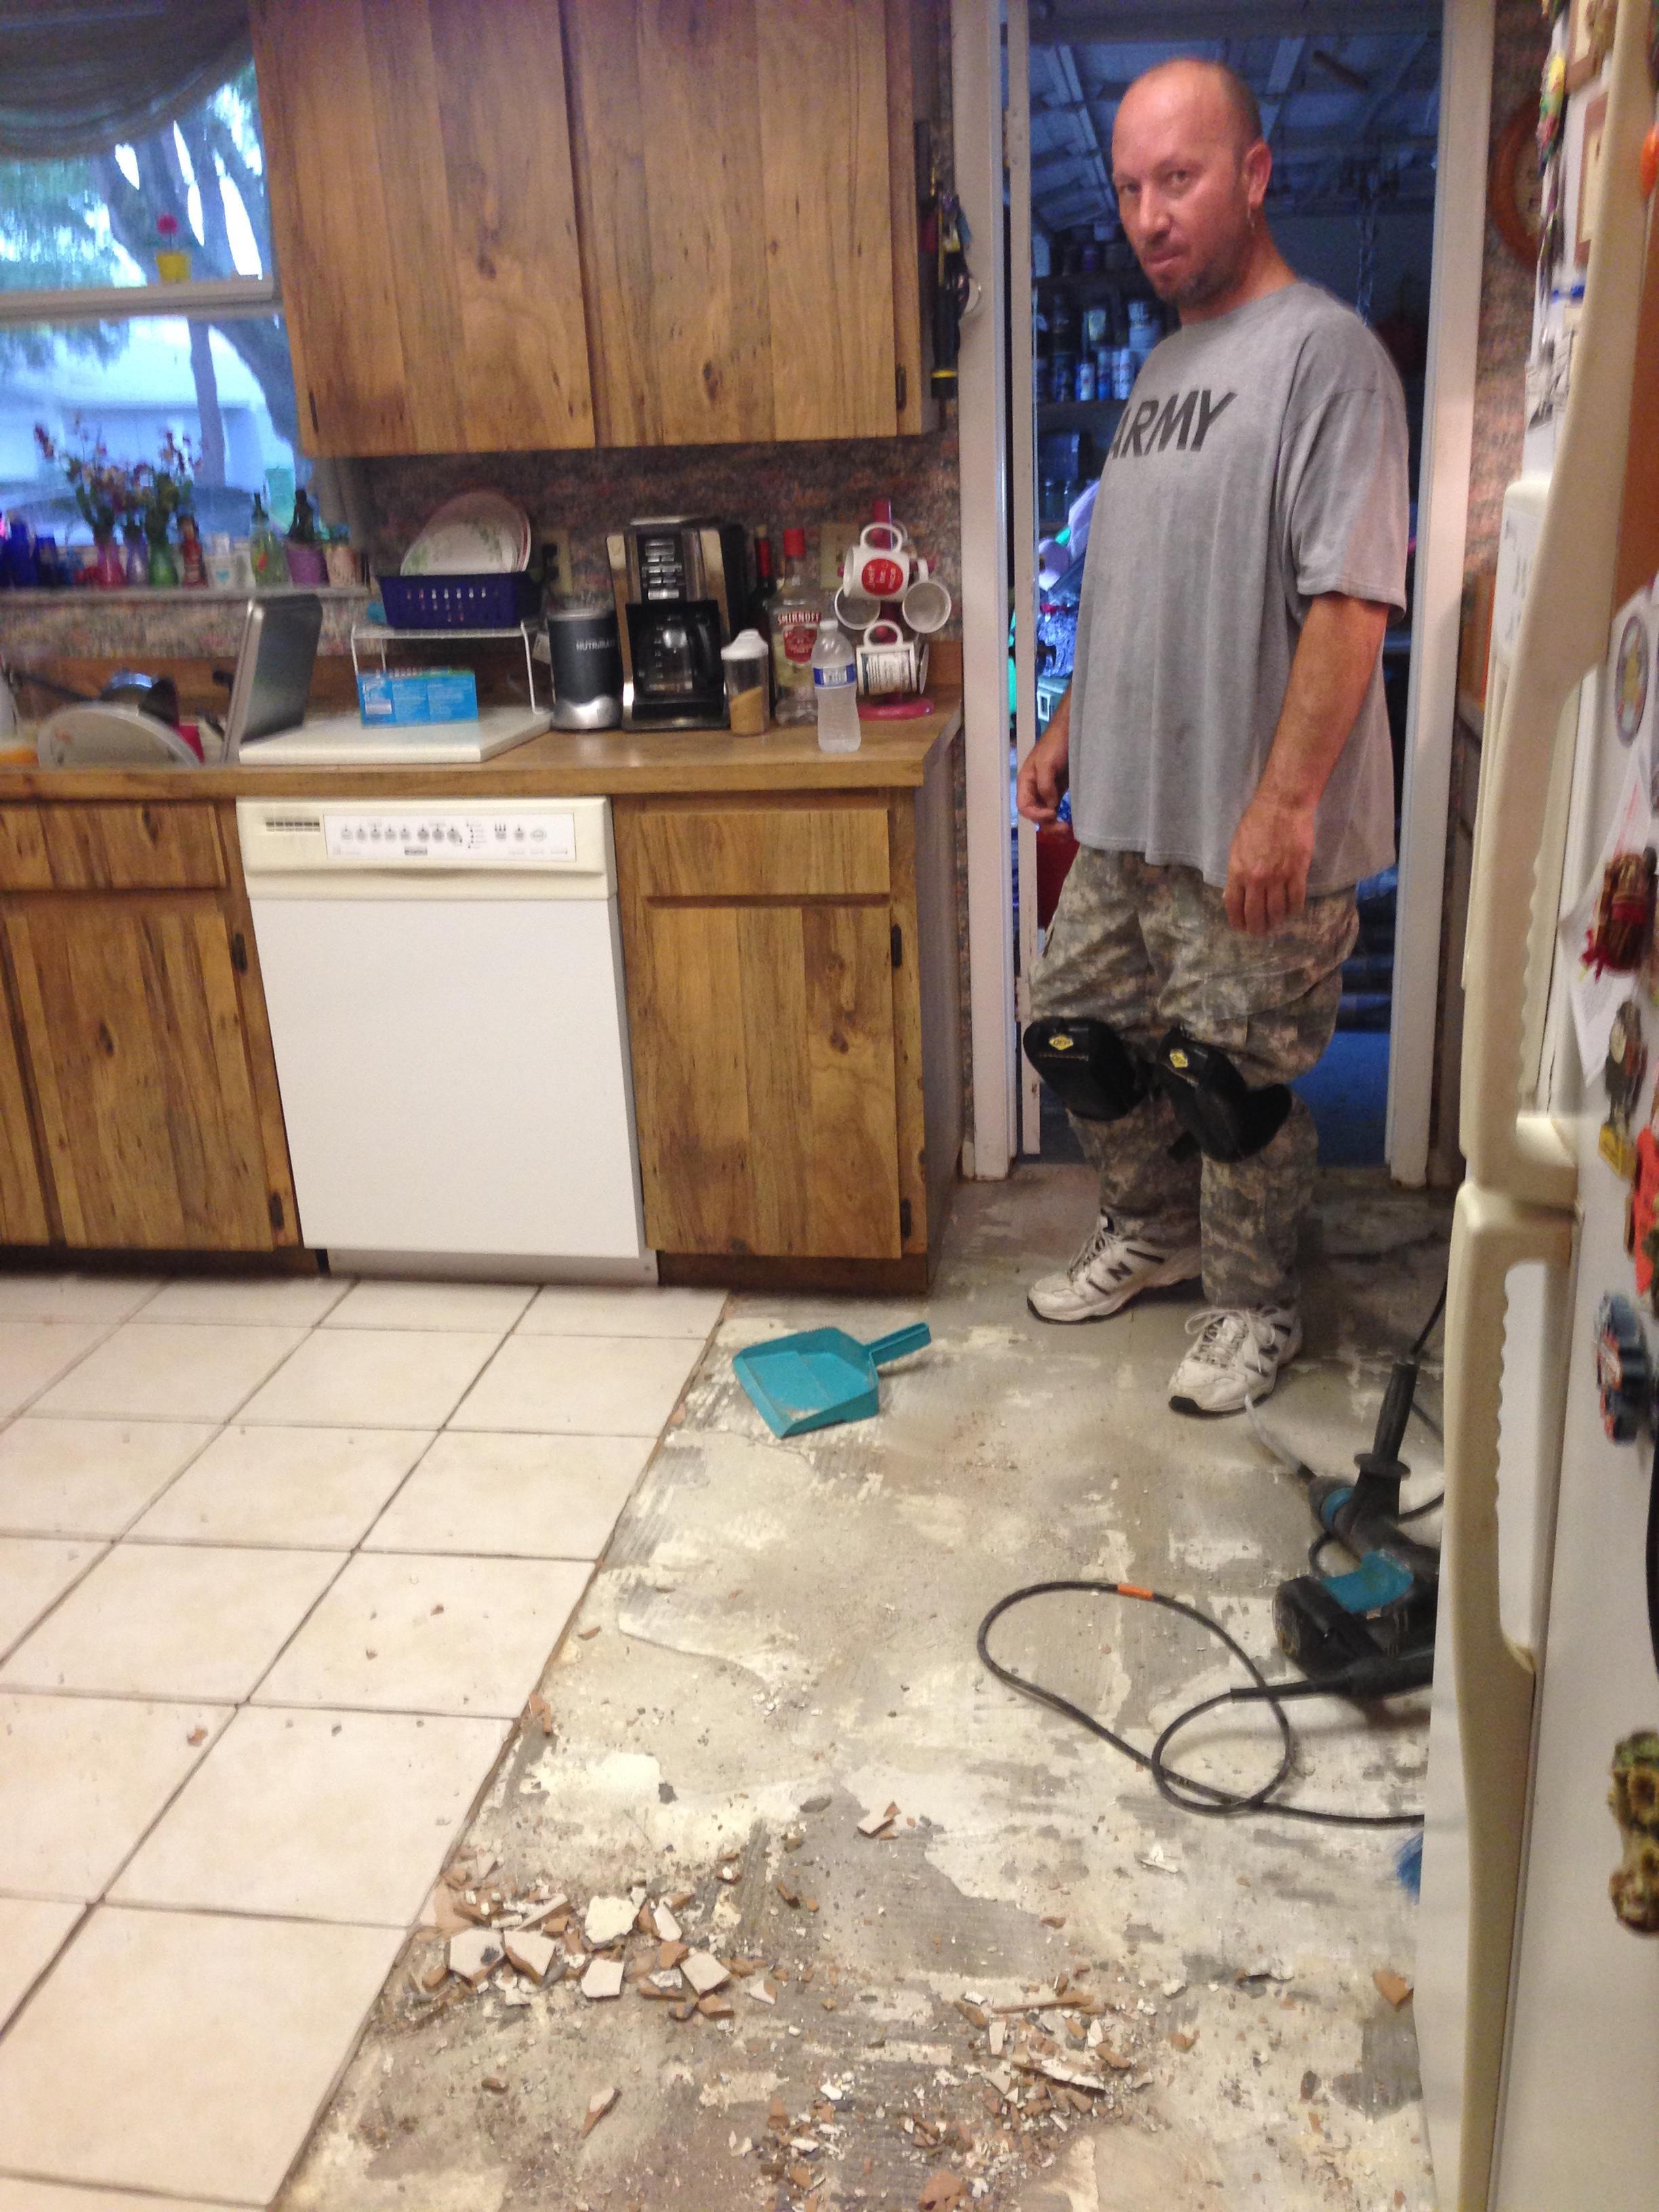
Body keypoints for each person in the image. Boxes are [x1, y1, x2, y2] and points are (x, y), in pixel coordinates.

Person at [1017, 55, 1408, 1416]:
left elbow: (1353, 600)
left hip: (1256, 832)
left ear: (1253, 172)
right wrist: (1068, 720)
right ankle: (1158, 1235)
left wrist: (1287, 805)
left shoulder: (1328, 358)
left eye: (1176, 179)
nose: (1148, 214)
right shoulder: (1167, 369)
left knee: (1225, 1081)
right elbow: (1129, 576)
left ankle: (1254, 1307)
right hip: (1135, 813)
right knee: (1069, 1029)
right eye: (1129, 189)